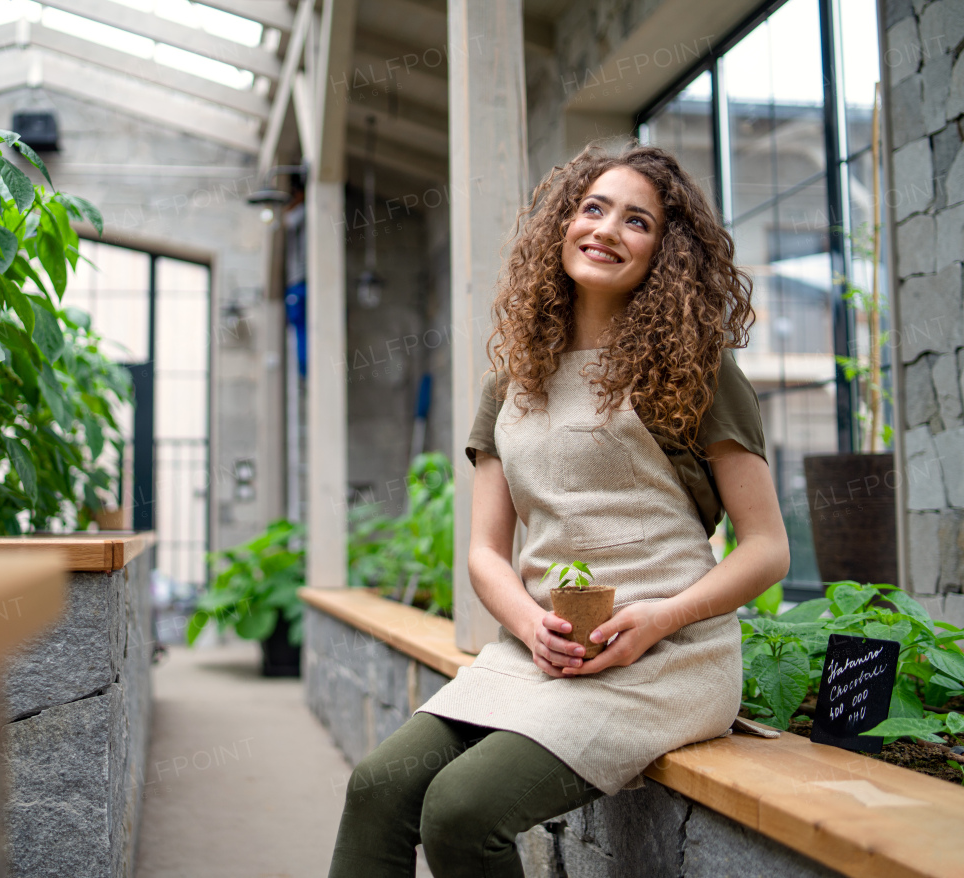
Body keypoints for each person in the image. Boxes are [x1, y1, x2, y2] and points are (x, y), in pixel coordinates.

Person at [326, 143, 790, 878]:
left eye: (637, 221)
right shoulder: (512, 381)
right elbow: (485, 550)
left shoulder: (695, 370)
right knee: (375, 791)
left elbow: (767, 549)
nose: (606, 230)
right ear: (563, 224)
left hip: (665, 659)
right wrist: (526, 625)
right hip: (539, 647)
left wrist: (660, 620)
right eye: (593, 208)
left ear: (665, 253)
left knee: (461, 813)